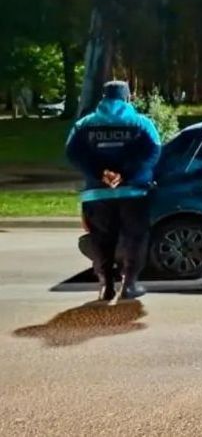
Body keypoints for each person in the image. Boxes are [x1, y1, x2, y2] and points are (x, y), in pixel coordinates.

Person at [66, 81, 161, 301]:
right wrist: (125, 175)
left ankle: (106, 285)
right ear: (127, 98)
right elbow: (153, 153)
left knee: (101, 239)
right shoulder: (142, 124)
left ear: (103, 97)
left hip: (97, 195)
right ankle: (129, 285)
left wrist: (101, 173)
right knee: (135, 239)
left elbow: (73, 153)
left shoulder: (84, 125)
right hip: (134, 194)